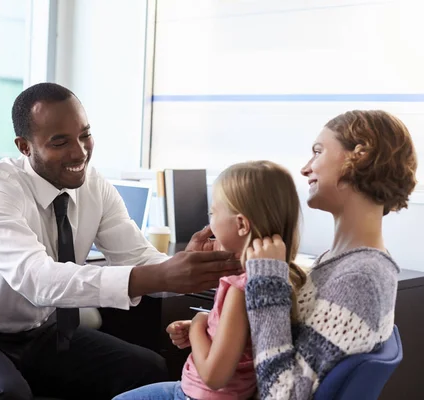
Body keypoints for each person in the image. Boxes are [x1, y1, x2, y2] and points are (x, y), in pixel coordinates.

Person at [0, 82, 241, 400]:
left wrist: (181, 266)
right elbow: (38, 280)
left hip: (43, 334)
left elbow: (138, 259)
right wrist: (160, 274)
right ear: (24, 146)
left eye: (85, 135)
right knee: (5, 395)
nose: (80, 151)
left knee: (147, 368)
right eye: (60, 142)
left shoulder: (94, 187)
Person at [164, 110, 417, 400]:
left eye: (318, 152)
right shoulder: (342, 263)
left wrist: (267, 283)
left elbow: (283, 394)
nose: (306, 168)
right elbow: (291, 343)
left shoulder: (358, 278)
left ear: (359, 157)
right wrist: (216, 329)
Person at [113, 161, 304, 400]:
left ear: (242, 224)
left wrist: (198, 324)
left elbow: (214, 376)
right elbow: (241, 345)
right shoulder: (275, 279)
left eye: (213, 213)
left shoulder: (239, 289)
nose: (209, 222)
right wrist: (204, 329)